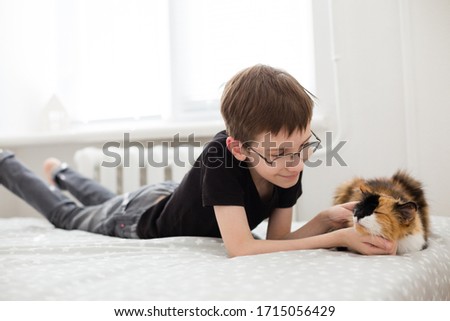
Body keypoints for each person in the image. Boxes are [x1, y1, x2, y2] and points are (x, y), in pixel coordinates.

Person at [0, 65, 396, 257]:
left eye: (304, 146)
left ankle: (64, 172)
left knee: (104, 198)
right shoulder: (220, 156)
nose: (295, 163)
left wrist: (326, 219)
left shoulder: (287, 166)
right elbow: (241, 249)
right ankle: (10, 163)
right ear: (240, 149)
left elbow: (278, 242)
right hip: (136, 219)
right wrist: (339, 238)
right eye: (281, 153)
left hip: (164, 195)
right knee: (71, 217)